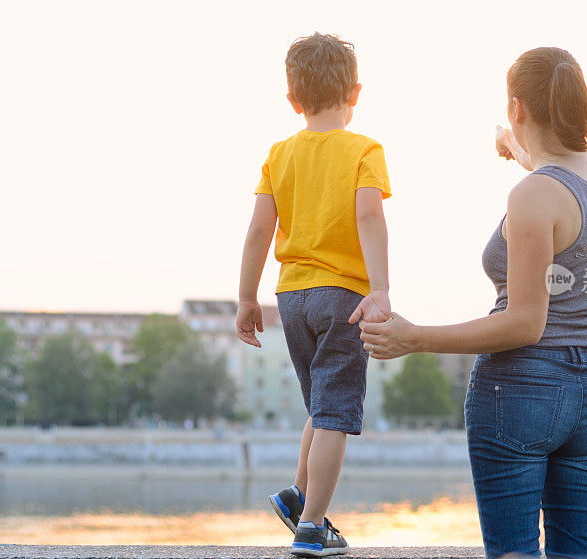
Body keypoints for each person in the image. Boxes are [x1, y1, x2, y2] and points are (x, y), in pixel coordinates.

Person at [359, 47, 587, 558]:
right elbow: (553, 170)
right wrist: (514, 147)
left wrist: (415, 338)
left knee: (513, 553)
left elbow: (525, 323)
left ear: (517, 107)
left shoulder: (531, 197)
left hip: (523, 389)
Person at [235, 32, 392, 556]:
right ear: (355, 91)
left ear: (293, 99)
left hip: (291, 299)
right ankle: (313, 524)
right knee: (336, 415)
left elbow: (258, 231)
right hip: (341, 295)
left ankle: (299, 495)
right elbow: (369, 215)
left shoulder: (280, 154)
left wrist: (245, 298)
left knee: (322, 406)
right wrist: (382, 290)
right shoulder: (363, 150)